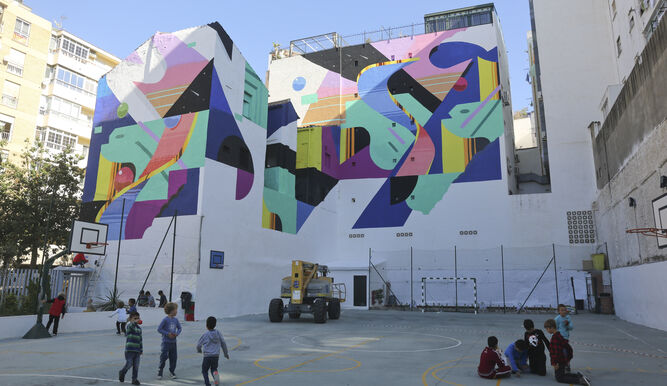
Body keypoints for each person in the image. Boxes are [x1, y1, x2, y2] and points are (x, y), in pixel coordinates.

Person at [544, 319, 591, 385]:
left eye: (547, 329)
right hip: (563, 360)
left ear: (551, 328)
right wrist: (568, 358)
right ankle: (579, 376)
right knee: (562, 374)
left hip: (559, 361)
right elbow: (568, 347)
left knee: (560, 378)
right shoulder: (559, 336)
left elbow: (556, 352)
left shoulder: (555, 339)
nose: (547, 330)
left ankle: (580, 380)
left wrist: (555, 363)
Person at [196, 316, 230, 386]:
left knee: (204, 370)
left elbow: (198, 345)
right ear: (215, 325)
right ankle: (215, 378)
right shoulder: (218, 333)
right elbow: (223, 343)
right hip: (216, 356)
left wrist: (199, 350)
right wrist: (225, 353)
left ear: (206, 326)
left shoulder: (205, 334)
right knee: (214, 369)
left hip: (207, 356)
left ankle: (207, 384)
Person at [157, 302, 181, 379]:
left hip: (173, 343)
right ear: (171, 311)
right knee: (163, 357)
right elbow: (159, 329)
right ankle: (160, 370)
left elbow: (180, 328)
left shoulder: (176, 320)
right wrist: (167, 334)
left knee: (174, 358)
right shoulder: (165, 320)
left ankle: (172, 371)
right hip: (166, 342)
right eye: (175, 310)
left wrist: (177, 333)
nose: (176, 311)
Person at [119, 311, 143, 385]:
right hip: (129, 350)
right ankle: (122, 372)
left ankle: (134, 379)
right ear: (130, 319)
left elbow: (140, 339)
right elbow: (131, 327)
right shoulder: (129, 326)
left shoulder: (139, 328)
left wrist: (141, 349)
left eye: (138, 318)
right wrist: (132, 321)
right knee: (129, 364)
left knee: (136, 366)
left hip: (137, 350)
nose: (137, 319)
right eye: (135, 318)